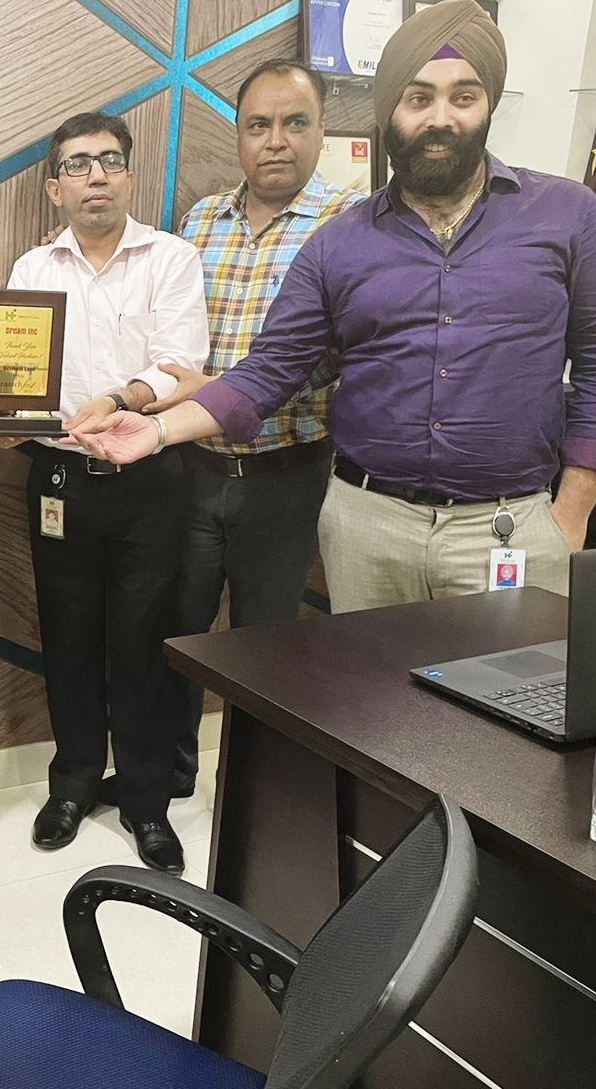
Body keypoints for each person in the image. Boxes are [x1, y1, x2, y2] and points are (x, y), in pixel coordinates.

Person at [73, 0, 596, 611]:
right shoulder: (341, 240)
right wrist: (155, 431)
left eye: (463, 97)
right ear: (389, 112)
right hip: (367, 528)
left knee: (504, 701)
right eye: (418, 98)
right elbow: (271, 370)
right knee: (368, 706)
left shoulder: (570, 216)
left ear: (489, 106)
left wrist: (572, 512)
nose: (440, 118)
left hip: (511, 528)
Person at [148, 59, 362, 802]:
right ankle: (166, 780)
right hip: (193, 472)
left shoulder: (353, 224)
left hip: (286, 476)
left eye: (295, 123)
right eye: (259, 125)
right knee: (179, 636)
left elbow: (344, 353)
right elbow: (162, 325)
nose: (276, 141)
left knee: (268, 648)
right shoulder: (201, 220)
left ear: (322, 131)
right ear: (237, 136)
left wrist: (218, 392)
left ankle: (253, 796)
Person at [8, 112, 208, 874]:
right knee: (67, 639)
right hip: (58, 477)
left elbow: (182, 364)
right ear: (53, 186)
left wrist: (123, 399)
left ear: (130, 176)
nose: (96, 176)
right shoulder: (34, 271)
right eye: (79, 164)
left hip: (149, 478)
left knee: (142, 644)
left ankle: (148, 802)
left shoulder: (170, 258)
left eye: (111, 162)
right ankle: (74, 782)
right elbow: (15, 380)